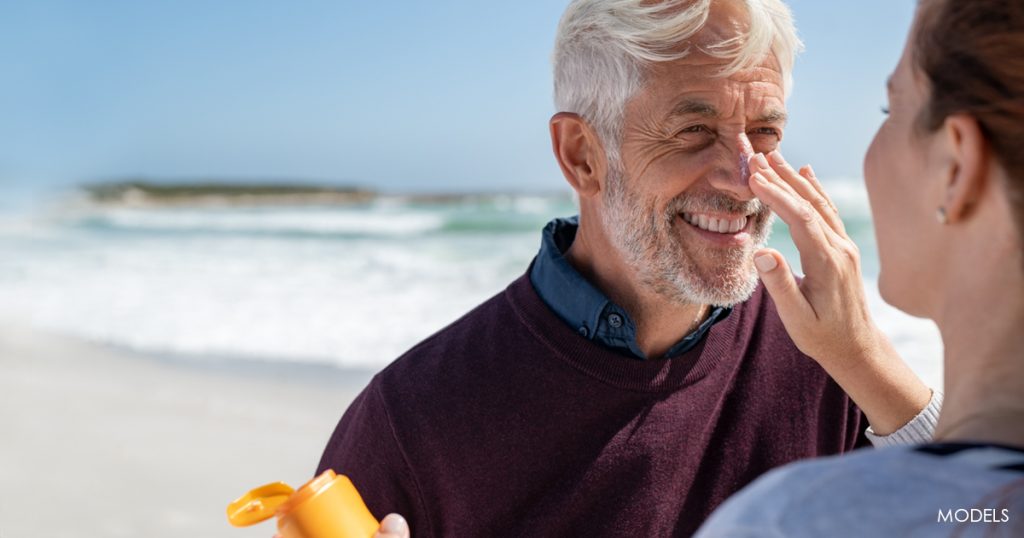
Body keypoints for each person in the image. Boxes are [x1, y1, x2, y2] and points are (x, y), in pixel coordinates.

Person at [317, 1, 942, 536]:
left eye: (766, 132)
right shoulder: (412, 421)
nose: (744, 178)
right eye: (694, 131)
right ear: (582, 156)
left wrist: (867, 364)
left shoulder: (827, 362)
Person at [695, 0, 1024, 536]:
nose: (744, 171)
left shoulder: (791, 521)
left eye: (889, 111)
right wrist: (859, 356)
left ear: (955, 167)